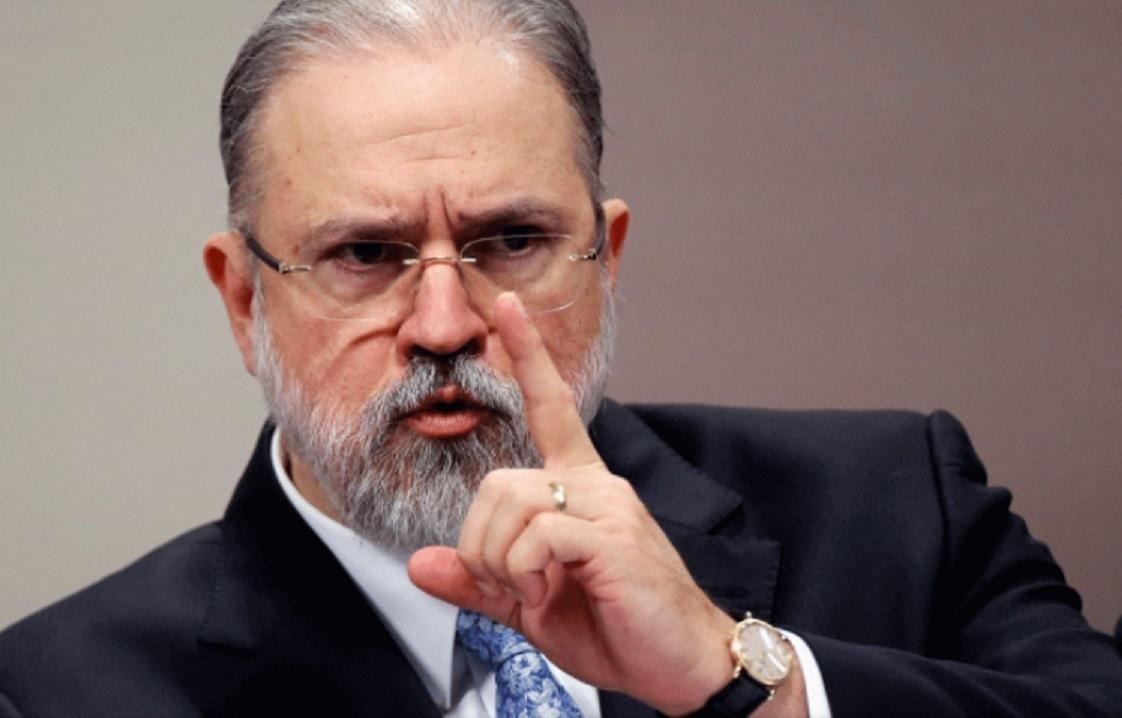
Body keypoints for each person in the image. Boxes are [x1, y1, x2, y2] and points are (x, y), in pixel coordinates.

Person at [1, 1, 1120, 716]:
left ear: (606, 257)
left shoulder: (899, 507)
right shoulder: (54, 692)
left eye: (511, 242)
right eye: (366, 254)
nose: (444, 323)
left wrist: (740, 676)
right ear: (244, 298)